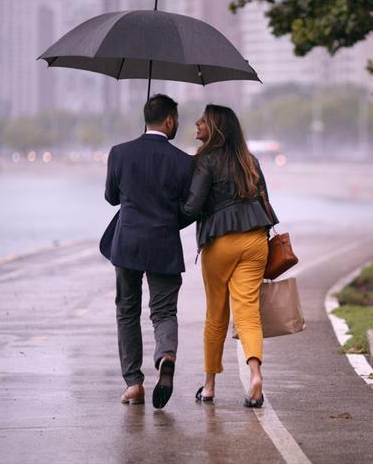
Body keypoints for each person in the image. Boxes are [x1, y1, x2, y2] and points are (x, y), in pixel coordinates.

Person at [181, 104, 278, 408]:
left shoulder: (205, 161)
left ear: (216, 129)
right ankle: (255, 377)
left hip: (220, 242)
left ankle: (209, 386)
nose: (197, 123)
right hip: (255, 239)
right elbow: (264, 199)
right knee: (248, 312)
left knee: (216, 314)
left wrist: (164, 218)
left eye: (203, 121)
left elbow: (192, 207)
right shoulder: (250, 160)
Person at [103, 94, 193, 409]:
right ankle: (165, 355)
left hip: (127, 244)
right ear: (169, 120)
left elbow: (111, 197)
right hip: (165, 243)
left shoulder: (119, 153)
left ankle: (133, 384)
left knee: (127, 311)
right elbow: (190, 207)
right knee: (164, 311)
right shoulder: (184, 161)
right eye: (177, 120)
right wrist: (169, 220)